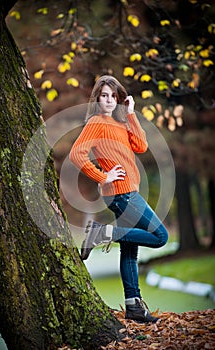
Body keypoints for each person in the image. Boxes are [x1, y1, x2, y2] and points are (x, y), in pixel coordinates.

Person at [69, 75, 168, 323]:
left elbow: (142, 145)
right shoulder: (96, 122)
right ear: (97, 98)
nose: (109, 100)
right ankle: (102, 233)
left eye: (114, 96)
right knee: (160, 237)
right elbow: (76, 153)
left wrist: (131, 114)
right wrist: (102, 176)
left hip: (127, 193)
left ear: (119, 98)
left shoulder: (120, 123)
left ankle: (133, 305)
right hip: (121, 194)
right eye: (104, 95)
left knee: (130, 250)